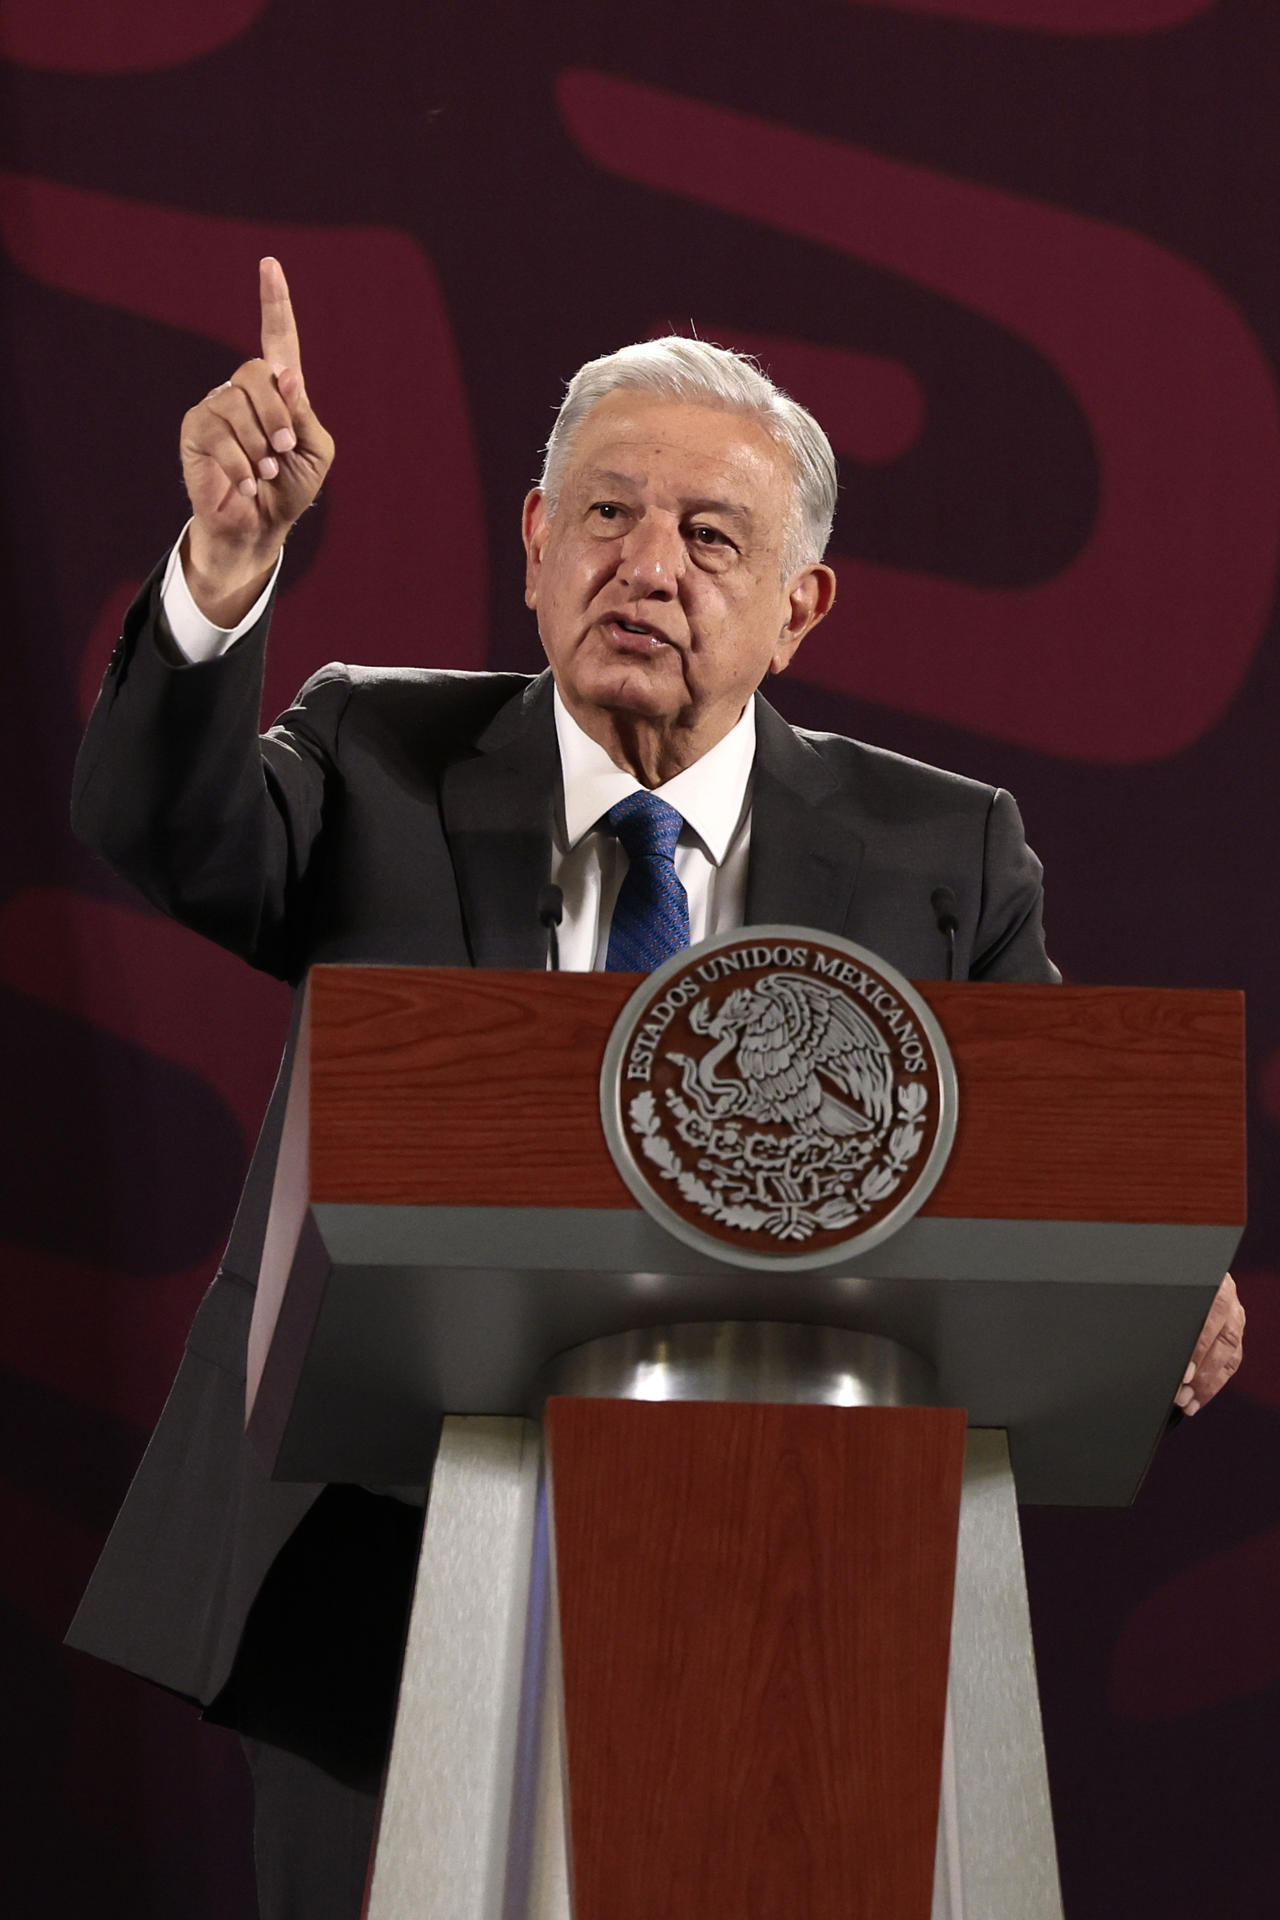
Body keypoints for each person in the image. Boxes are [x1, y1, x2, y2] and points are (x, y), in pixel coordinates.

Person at [67, 259, 1245, 1919]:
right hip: (377, 1587)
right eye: (608, 514)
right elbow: (161, 832)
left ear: (802, 604)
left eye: (712, 537)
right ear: (534, 544)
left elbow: (1039, 1149)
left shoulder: (941, 851)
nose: (650, 567)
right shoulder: (373, 761)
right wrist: (225, 569)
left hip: (801, 1591)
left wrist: (1159, 1263)